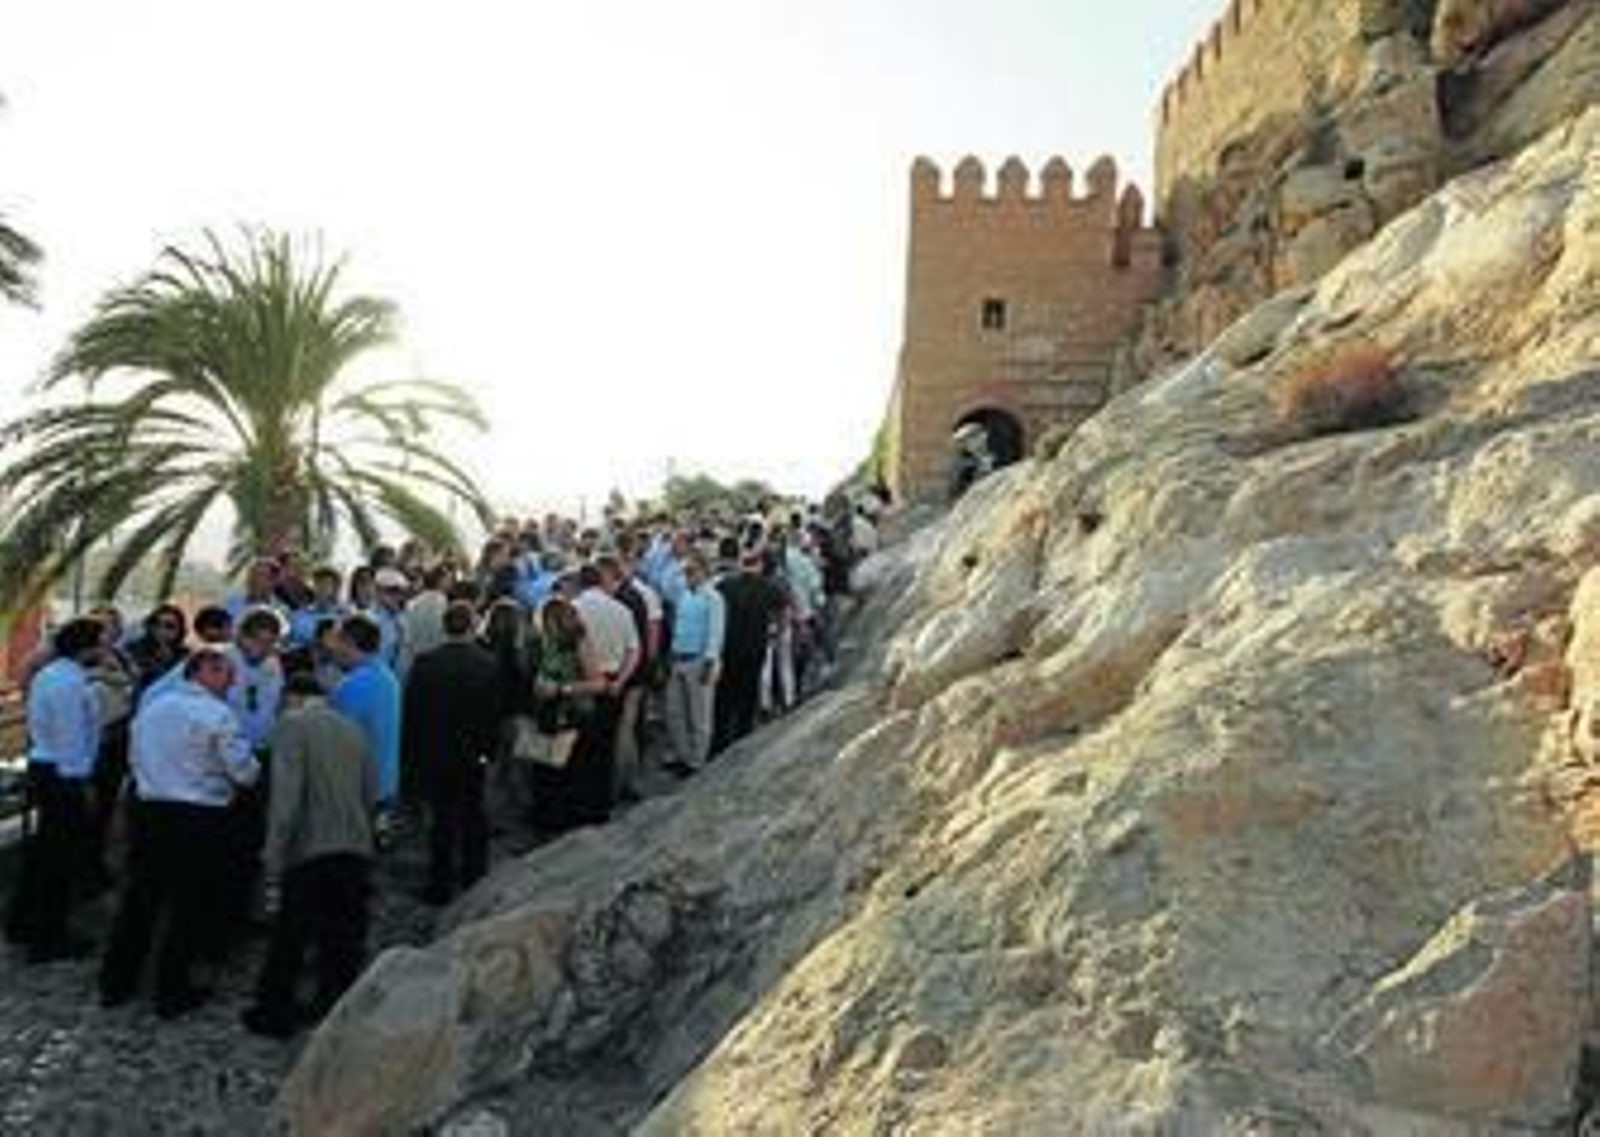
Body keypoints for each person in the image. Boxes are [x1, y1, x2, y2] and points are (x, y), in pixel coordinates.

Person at [99, 648, 260, 1017]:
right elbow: (243, 772)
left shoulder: (153, 708)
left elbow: (135, 757)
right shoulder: (218, 716)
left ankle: (116, 982)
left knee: (140, 900)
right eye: (226, 674)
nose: (232, 683)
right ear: (204, 670)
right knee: (189, 906)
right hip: (199, 818)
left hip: (152, 812)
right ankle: (171, 991)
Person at [241, 672, 377, 1038]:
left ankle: (274, 1012)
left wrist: (274, 851)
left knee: (291, 934)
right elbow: (369, 790)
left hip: (310, 846)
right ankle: (335, 1008)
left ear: (291, 697)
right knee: (343, 936)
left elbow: (287, 796)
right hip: (355, 844)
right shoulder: (353, 729)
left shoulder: (292, 725)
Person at [5, 617, 105, 963]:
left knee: (43, 856)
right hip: (62, 773)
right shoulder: (68, 683)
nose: (105, 649)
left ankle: (23, 923)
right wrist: (83, 783)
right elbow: (71, 739)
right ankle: (48, 936)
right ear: (86, 647)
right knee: (59, 861)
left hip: (47, 767)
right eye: (100, 642)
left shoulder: (52, 675)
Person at [403, 602, 501, 905]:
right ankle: (475, 876)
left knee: (442, 819)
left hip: (436, 753)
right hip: (474, 753)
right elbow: (493, 714)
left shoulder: (425, 664)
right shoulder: (488, 663)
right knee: (474, 814)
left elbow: (413, 714)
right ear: (472, 627)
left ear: (445, 627)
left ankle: (439, 884)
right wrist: (490, 751)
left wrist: (413, 758)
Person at [571, 561, 640, 823]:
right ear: (602, 581)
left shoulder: (573, 610)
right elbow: (634, 651)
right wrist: (620, 682)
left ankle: (580, 807)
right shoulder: (621, 610)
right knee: (606, 746)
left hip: (582, 683)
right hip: (612, 681)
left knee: (580, 748)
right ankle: (601, 807)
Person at [713, 540, 787, 754]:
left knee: (725, 697)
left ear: (740, 563)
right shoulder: (768, 587)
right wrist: (778, 633)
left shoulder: (725, 586)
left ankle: (719, 742)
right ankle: (742, 740)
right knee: (748, 695)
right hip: (756, 648)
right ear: (760, 565)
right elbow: (783, 610)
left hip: (729, 648)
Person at [329, 614, 402, 826]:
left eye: (337, 640)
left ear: (349, 643)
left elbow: (338, 742)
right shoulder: (388, 676)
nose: (333, 648)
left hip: (360, 786)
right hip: (387, 781)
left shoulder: (351, 685)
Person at [664, 552, 725, 776]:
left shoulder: (713, 597)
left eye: (692, 571)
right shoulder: (683, 594)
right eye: (686, 571)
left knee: (699, 715)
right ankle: (683, 754)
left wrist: (710, 662)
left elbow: (715, 632)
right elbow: (667, 584)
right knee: (675, 712)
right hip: (678, 657)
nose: (687, 575)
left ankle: (697, 761)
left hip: (699, 661)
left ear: (704, 571)